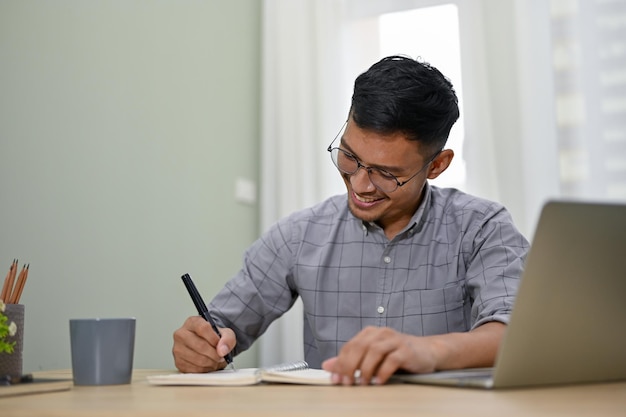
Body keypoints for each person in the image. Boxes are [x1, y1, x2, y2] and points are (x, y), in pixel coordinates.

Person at [172, 55, 529, 385]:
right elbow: (219, 329)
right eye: (350, 156)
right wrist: (200, 346)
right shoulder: (299, 236)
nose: (360, 184)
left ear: (437, 165)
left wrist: (428, 351)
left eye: (387, 173)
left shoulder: (482, 228)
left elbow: (517, 332)